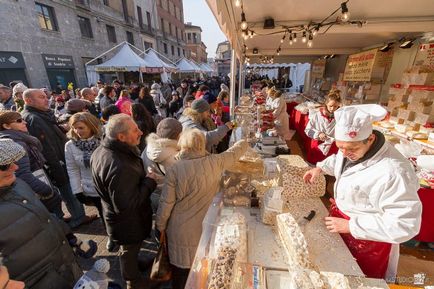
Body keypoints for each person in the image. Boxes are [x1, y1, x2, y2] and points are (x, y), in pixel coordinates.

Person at [303, 104, 422, 280]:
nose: (345, 153)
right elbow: (339, 160)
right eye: (340, 146)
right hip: (341, 223)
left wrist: (352, 226)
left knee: (359, 279)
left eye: (351, 149)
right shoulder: (352, 151)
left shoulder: (394, 171)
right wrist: (320, 168)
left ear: (371, 139)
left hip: (369, 242)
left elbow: (405, 224)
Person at [156, 129, 248, 289]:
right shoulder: (216, 161)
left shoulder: (175, 169)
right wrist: (246, 140)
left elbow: (166, 204)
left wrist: (159, 227)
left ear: (183, 145)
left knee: (181, 274)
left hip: (180, 231)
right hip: (206, 226)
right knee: (202, 270)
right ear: (201, 144)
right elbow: (234, 152)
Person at [0, 139, 90, 289]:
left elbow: (45, 217)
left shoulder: (18, 185)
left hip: (68, 269)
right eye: (5, 165)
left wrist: (70, 238)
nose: (15, 167)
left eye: (14, 161)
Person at [91, 114, 157, 289]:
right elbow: (128, 205)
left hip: (117, 218)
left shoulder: (103, 150)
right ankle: (133, 281)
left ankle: (135, 265)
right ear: (121, 137)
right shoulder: (120, 166)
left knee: (131, 249)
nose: (141, 132)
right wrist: (149, 182)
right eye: (135, 130)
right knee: (128, 249)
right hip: (127, 223)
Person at [21, 89, 96, 228]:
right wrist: (57, 166)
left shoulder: (41, 115)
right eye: (41, 97)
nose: (46, 99)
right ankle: (78, 217)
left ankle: (72, 215)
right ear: (28, 101)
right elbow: (46, 147)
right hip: (57, 162)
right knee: (67, 188)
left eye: (46, 96)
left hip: (58, 159)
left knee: (64, 189)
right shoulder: (34, 118)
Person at [0, 111, 63, 218]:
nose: (24, 122)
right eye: (19, 121)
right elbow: (23, 174)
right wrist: (48, 191)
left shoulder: (20, 138)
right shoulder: (16, 143)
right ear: (6, 126)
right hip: (37, 190)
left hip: (36, 186)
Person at [65, 112, 104, 223]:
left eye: (81, 128)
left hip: (110, 185)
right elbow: (72, 170)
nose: (77, 131)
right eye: (74, 128)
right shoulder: (70, 146)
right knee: (103, 213)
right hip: (92, 188)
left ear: (91, 126)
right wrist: (77, 191)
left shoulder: (104, 140)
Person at [142, 118, 182, 213]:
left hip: (153, 194)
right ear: (178, 135)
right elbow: (181, 182)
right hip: (169, 200)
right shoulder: (173, 157)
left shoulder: (149, 147)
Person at [304, 90, 341, 164]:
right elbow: (307, 130)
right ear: (326, 104)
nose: (332, 108)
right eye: (330, 106)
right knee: (314, 167)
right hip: (317, 146)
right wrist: (318, 134)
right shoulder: (318, 115)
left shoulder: (340, 116)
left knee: (328, 168)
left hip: (332, 148)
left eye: (335, 106)